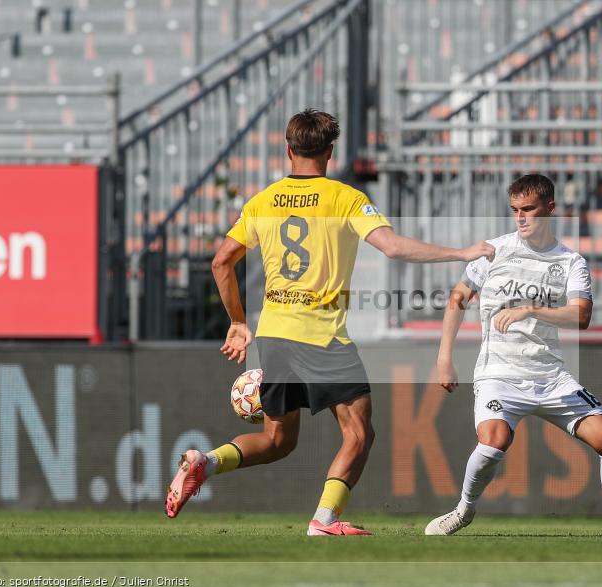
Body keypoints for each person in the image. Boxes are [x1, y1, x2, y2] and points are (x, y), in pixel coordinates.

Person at [165, 109, 495, 535]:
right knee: (359, 433)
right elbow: (392, 247)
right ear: (330, 151)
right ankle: (324, 520)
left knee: (278, 441)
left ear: (288, 150)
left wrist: (238, 322)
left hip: (276, 335)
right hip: (322, 336)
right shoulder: (346, 198)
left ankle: (205, 462)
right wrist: (460, 254)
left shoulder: (262, 201)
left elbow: (221, 261)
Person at [425, 174, 602, 538]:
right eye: (515, 210)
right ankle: (463, 510)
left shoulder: (570, 262)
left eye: (528, 209)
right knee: (494, 441)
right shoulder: (494, 252)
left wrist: (531, 309)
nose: (520, 218)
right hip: (498, 374)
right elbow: (457, 298)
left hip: (551, 377)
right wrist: (444, 357)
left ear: (550, 209)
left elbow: (581, 317)